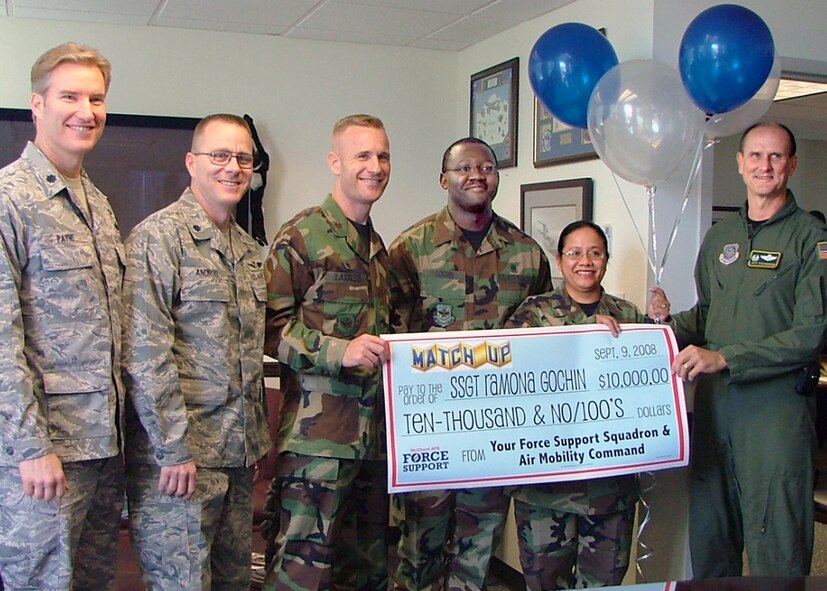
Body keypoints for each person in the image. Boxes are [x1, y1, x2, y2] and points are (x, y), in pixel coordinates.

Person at [650, 122, 827, 577]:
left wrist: (726, 357)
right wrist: (660, 328)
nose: (763, 166)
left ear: (791, 164)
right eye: (754, 156)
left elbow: (811, 334)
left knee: (777, 546)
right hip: (714, 412)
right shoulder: (719, 238)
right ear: (739, 163)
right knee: (711, 541)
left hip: (774, 416)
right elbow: (706, 319)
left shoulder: (811, 239)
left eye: (775, 157)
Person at [388, 136, 553, 591]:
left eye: (487, 167)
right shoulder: (410, 249)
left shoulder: (526, 253)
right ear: (444, 179)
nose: (476, 175)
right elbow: (391, 336)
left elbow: (548, 333)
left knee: (477, 551)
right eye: (464, 168)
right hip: (430, 430)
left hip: (494, 432)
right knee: (418, 549)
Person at [121, 113, 272, 590]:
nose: (233, 167)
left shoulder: (249, 252)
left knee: (232, 583)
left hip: (235, 457)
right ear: (191, 162)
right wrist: (172, 450)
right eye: (220, 155)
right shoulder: (159, 238)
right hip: (180, 465)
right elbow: (145, 352)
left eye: (243, 158)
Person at [0, 42, 125, 589]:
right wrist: (31, 447)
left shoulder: (97, 203)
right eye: (69, 95)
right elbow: (2, 338)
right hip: (46, 457)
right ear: (37, 104)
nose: (86, 110)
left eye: (96, 98)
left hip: (104, 450)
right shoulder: (10, 199)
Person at [261, 114, 392, 590]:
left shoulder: (375, 245)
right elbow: (269, 328)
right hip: (318, 440)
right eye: (362, 155)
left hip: (372, 440)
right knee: (302, 569)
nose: (374, 166)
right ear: (335, 162)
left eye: (382, 156)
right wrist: (339, 351)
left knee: (367, 568)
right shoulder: (302, 237)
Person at [505, 221, 645, 589]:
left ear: (606, 260)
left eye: (595, 253)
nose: (586, 261)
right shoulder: (532, 315)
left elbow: (650, 386)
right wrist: (582, 336)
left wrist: (657, 325)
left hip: (609, 489)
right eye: (575, 253)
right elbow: (509, 382)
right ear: (559, 259)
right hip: (545, 489)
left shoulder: (629, 317)